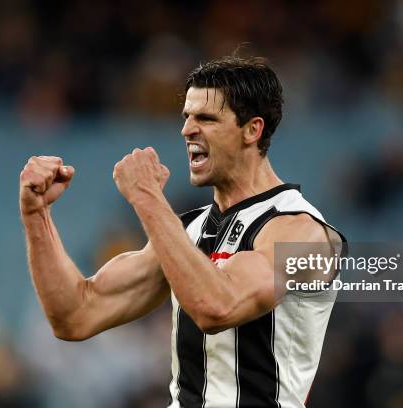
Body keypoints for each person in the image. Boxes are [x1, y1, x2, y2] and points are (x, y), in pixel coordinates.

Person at [19, 56, 344, 407]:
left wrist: (146, 197)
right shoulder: (187, 231)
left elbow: (217, 307)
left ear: (252, 130)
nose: (187, 129)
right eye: (187, 116)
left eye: (206, 118)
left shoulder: (303, 232)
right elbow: (75, 316)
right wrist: (36, 214)